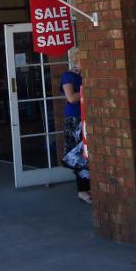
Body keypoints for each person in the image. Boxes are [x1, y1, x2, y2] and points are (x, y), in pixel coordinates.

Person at [60, 47, 90, 204]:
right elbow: (71, 98)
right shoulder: (68, 76)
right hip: (75, 119)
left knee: (89, 153)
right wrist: (88, 89)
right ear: (77, 59)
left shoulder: (88, 74)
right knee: (79, 155)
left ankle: (90, 186)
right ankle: (82, 190)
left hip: (88, 116)